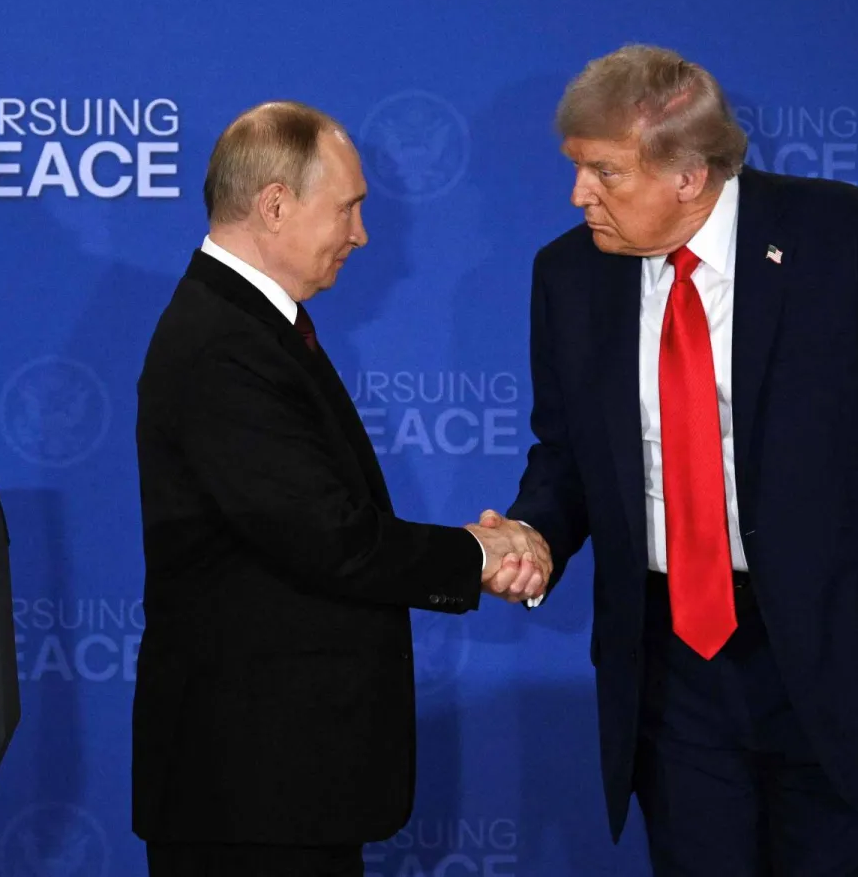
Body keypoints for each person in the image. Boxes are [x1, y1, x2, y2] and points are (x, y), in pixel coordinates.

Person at [481, 44, 858, 875]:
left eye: (604, 172)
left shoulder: (850, 238)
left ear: (688, 175)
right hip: (674, 669)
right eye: (578, 169)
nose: (579, 194)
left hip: (843, 656)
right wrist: (534, 533)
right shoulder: (569, 275)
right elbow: (567, 458)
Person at [131, 101, 551, 877]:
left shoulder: (254, 329)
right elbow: (328, 537)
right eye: (350, 207)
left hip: (282, 782)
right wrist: (477, 554)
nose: (361, 234)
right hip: (248, 789)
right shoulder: (222, 346)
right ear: (276, 204)